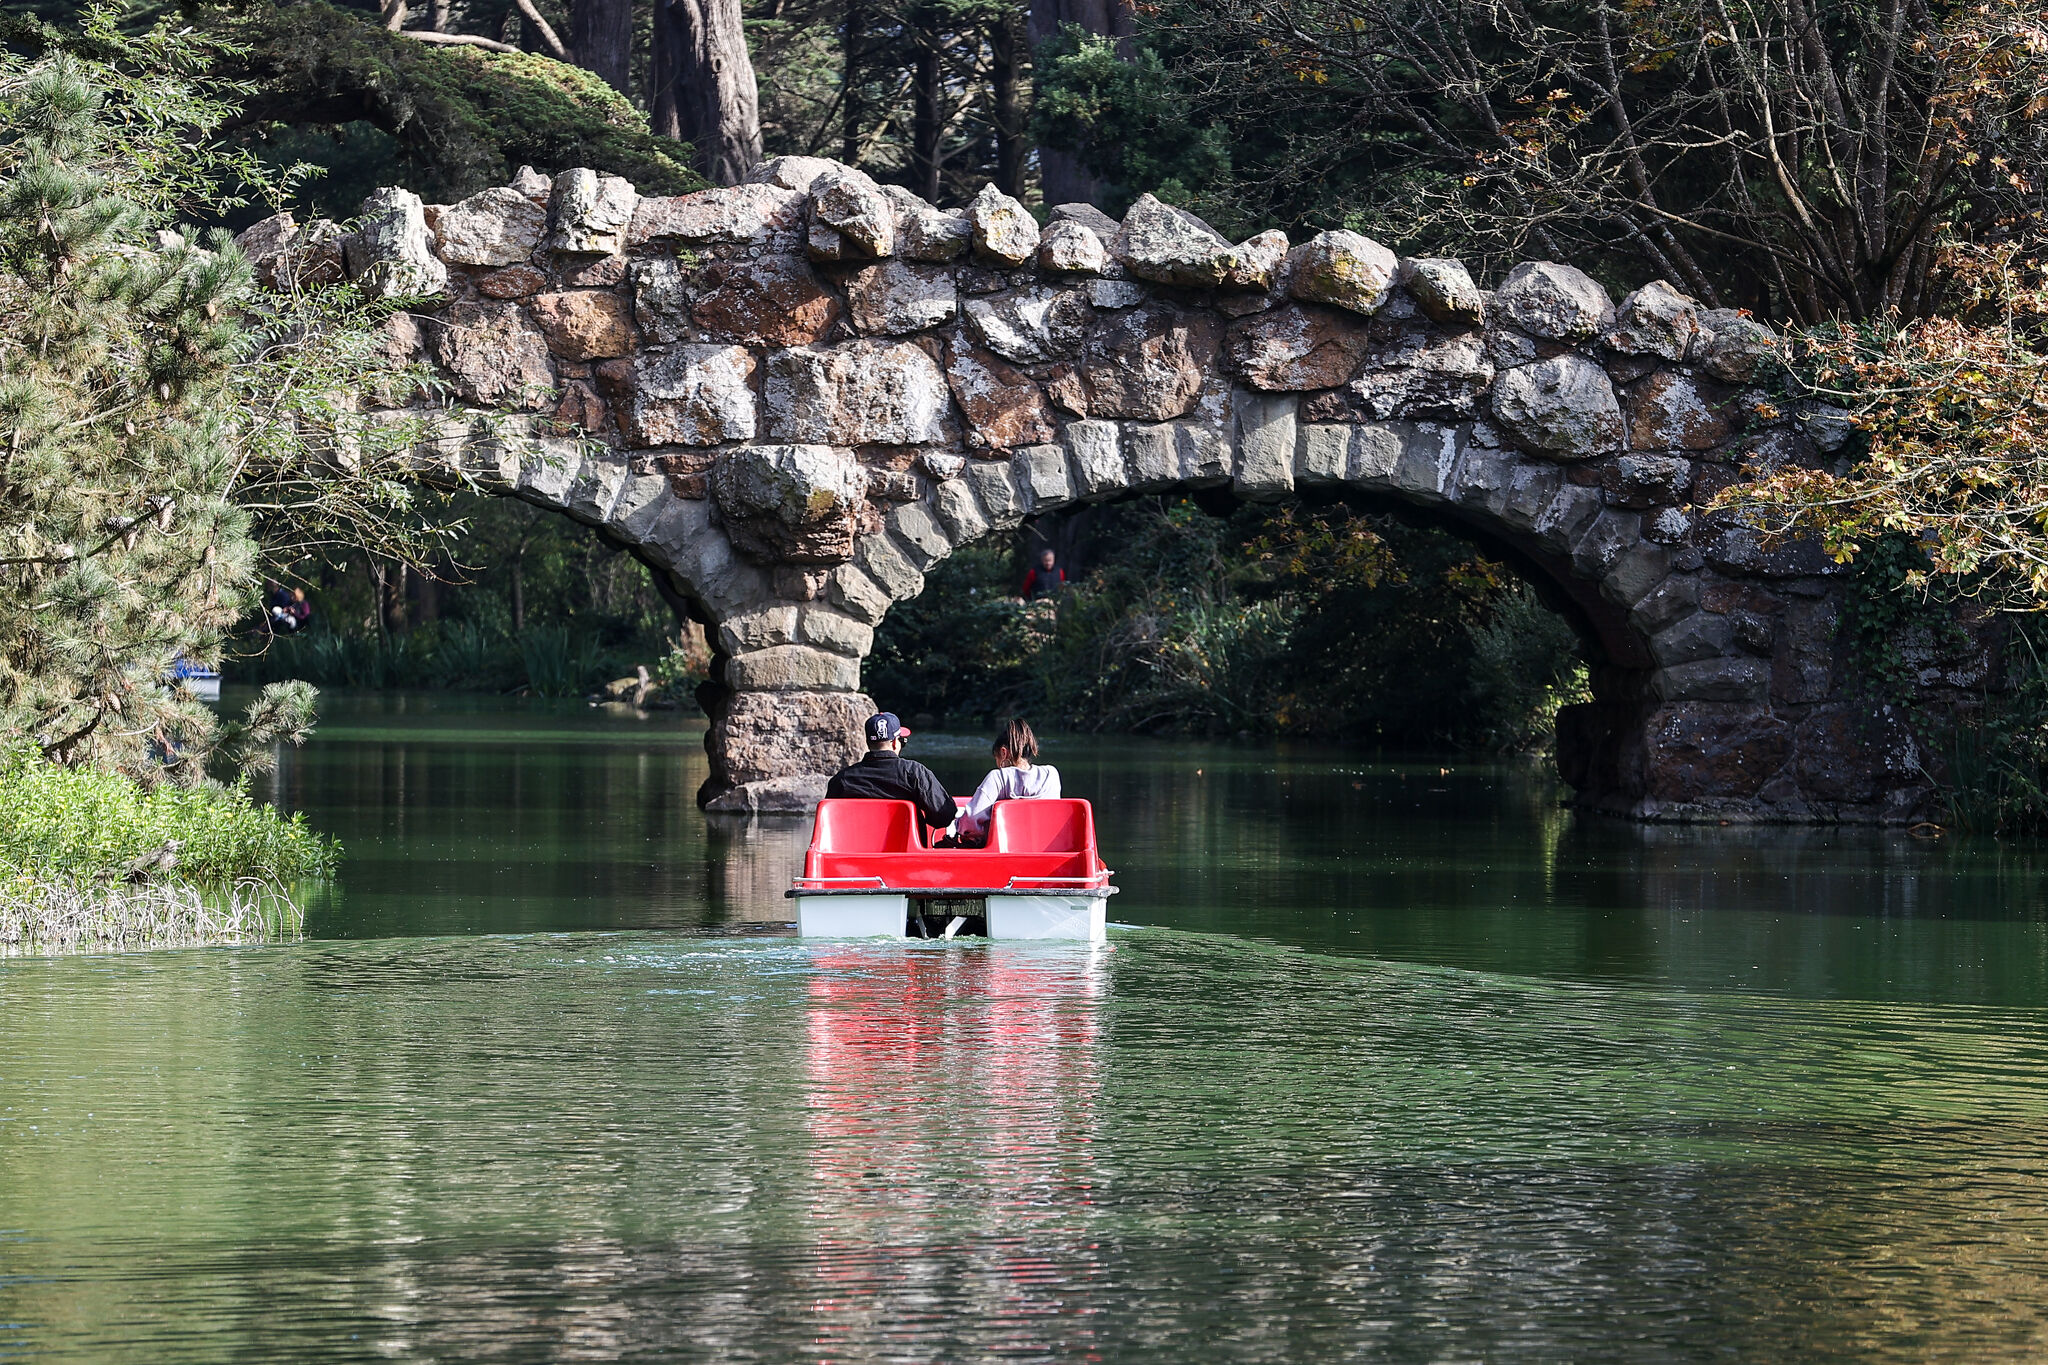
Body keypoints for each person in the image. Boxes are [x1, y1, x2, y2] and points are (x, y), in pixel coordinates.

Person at [825, 712, 956, 831]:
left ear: (867, 742)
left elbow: (830, 823)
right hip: (907, 852)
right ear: (894, 742)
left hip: (857, 853)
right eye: (902, 741)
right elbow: (944, 815)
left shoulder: (843, 779)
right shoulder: (914, 772)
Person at [954, 719, 1060, 846]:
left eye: (997, 759)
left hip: (1003, 851)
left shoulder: (998, 777)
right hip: (1045, 847)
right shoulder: (1051, 774)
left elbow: (970, 822)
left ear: (1004, 753)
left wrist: (959, 827)